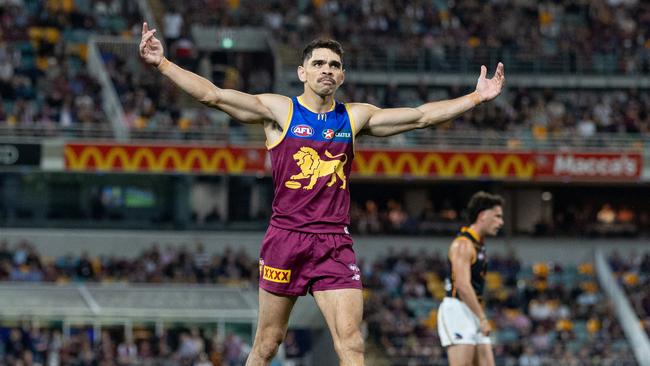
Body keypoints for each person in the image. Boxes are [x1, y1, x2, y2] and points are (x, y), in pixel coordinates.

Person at [139, 22, 505, 366]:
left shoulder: (354, 117)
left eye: (334, 65)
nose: (327, 69)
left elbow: (420, 116)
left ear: (342, 75)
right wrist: (163, 63)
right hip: (286, 238)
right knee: (267, 342)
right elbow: (213, 96)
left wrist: (475, 97)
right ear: (303, 72)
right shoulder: (280, 111)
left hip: (334, 243)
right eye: (318, 63)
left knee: (351, 344)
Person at [438, 191, 505, 366]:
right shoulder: (463, 244)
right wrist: (482, 318)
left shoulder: (479, 244)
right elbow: (462, 285)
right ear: (483, 215)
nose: (501, 222)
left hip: (472, 310)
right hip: (457, 309)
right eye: (497, 216)